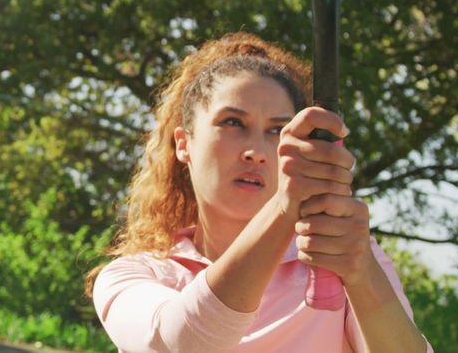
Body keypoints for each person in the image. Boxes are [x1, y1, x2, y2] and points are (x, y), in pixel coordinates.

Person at [88, 33, 432, 352]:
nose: (257, 151)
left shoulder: (345, 254)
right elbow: (182, 344)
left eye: (277, 130)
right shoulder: (132, 275)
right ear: (183, 144)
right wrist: (284, 208)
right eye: (233, 123)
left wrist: (361, 273)